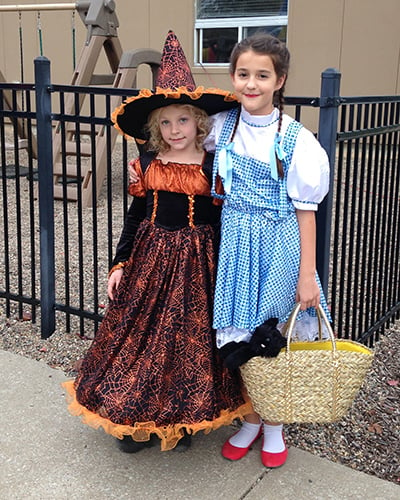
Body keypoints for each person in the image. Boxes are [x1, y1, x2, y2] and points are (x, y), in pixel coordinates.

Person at [62, 31, 252, 453]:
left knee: (190, 342)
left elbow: (225, 219)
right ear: (154, 128)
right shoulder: (147, 163)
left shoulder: (215, 163)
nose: (174, 129)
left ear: (198, 122)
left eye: (182, 120)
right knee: (140, 339)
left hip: (200, 264)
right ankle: (139, 418)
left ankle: (182, 420)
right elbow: (135, 218)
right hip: (151, 259)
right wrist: (120, 263)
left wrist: (232, 270)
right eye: (165, 122)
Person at [203, 33, 332, 467]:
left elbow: (306, 212)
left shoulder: (297, 140)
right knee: (240, 335)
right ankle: (251, 420)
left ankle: (273, 425)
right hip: (236, 243)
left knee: (274, 336)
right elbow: (181, 141)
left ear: (280, 80)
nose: (251, 84)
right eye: (243, 74)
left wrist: (307, 274)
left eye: (262, 75)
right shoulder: (222, 127)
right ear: (233, 77)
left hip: (279, 247)